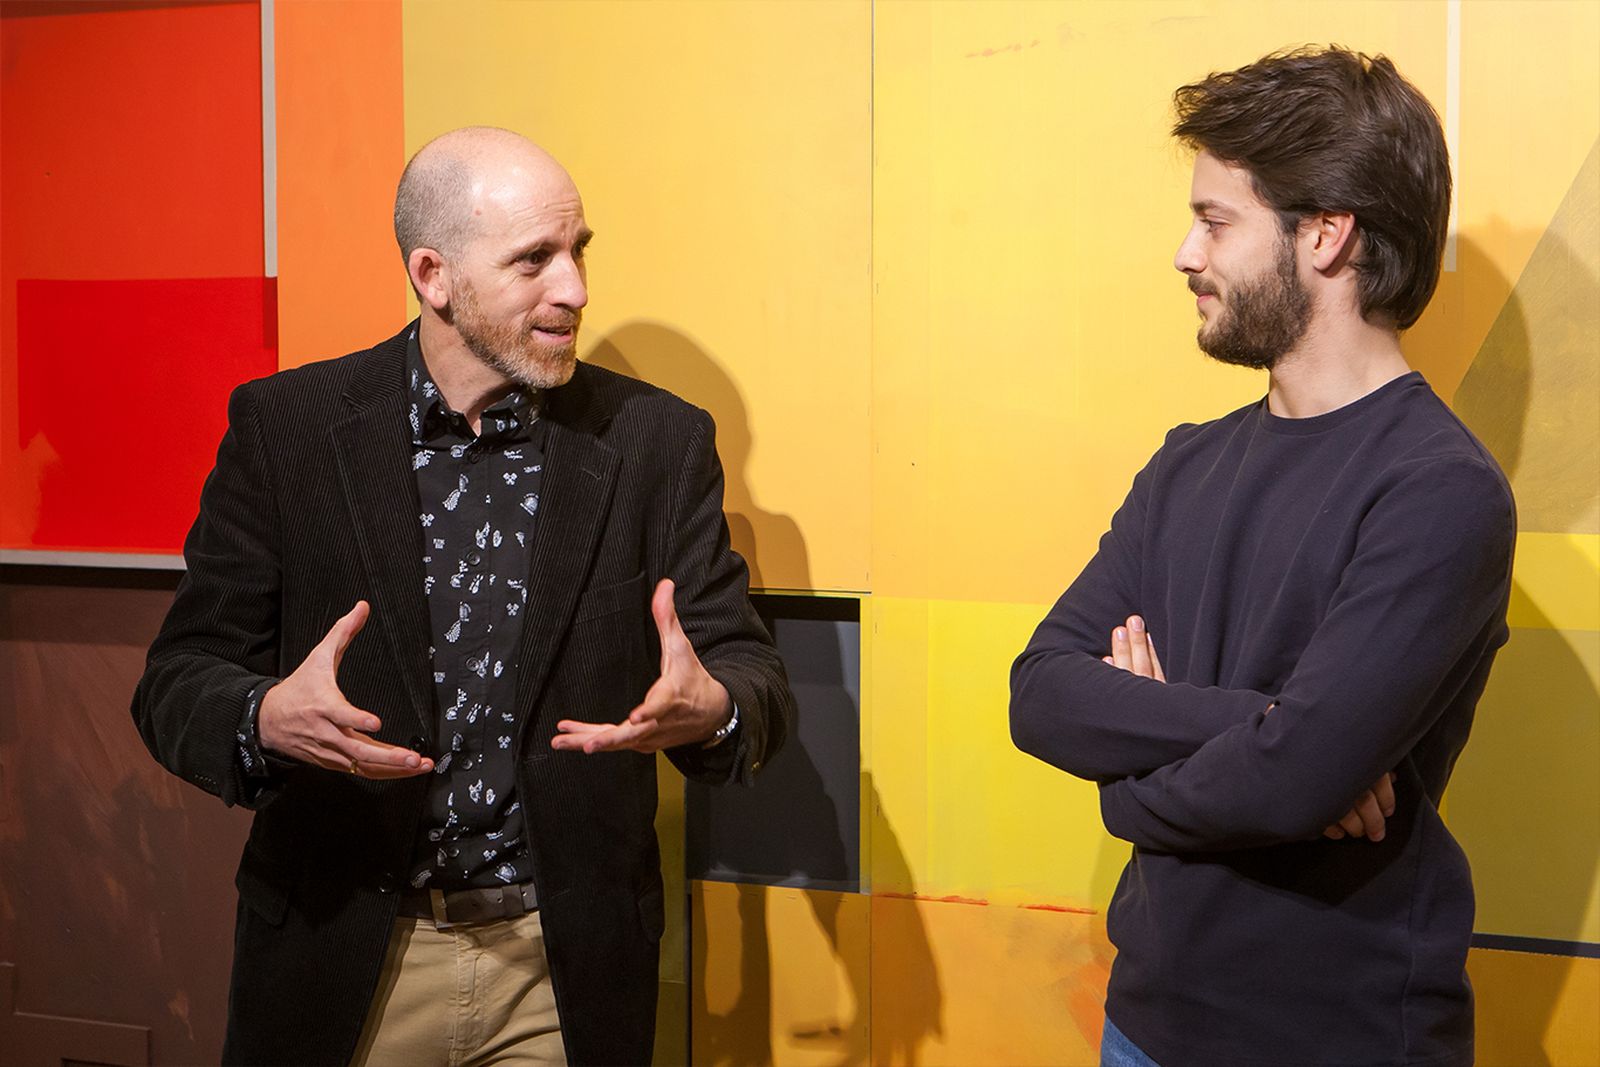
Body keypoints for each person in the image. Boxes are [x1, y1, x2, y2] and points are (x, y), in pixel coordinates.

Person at [132, 126, 793, 1067]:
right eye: (534, 259)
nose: (575, 289)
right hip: (347, 951)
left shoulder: (657, 442)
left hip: (559, 970)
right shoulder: (287, 430)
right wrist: (264, 715)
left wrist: (715, 706)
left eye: (578, 251)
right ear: (433, 275)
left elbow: (749, 672)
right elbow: (176, 680)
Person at [1010, 47, 1514, 1067]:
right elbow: (1041, 692)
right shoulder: (1183, 465)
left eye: (1215, 221)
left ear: (1326, 233)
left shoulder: (1439, 489)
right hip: (1143, 1024)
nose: (1184, 254)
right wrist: (1269, 725)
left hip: (1336, 1038)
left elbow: (1293, 783)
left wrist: (1126, 785)